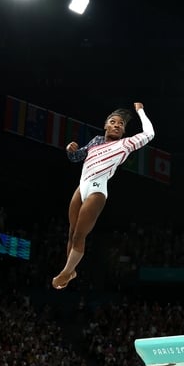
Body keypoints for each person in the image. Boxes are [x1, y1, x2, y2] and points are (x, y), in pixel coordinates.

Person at [52, 102, 155, 289]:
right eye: (113, 122)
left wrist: (140, 111)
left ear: (123, 132)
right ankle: (70, 270)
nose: (117, 125)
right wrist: (70, 150)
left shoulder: (126, 144)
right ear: (105, 125)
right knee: (71, 232)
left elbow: (149, 134)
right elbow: (76, 158)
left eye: (121, 124)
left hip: (97, 190)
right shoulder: (96, 141)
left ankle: (67, 272)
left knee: (79, 235)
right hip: (81, 187)